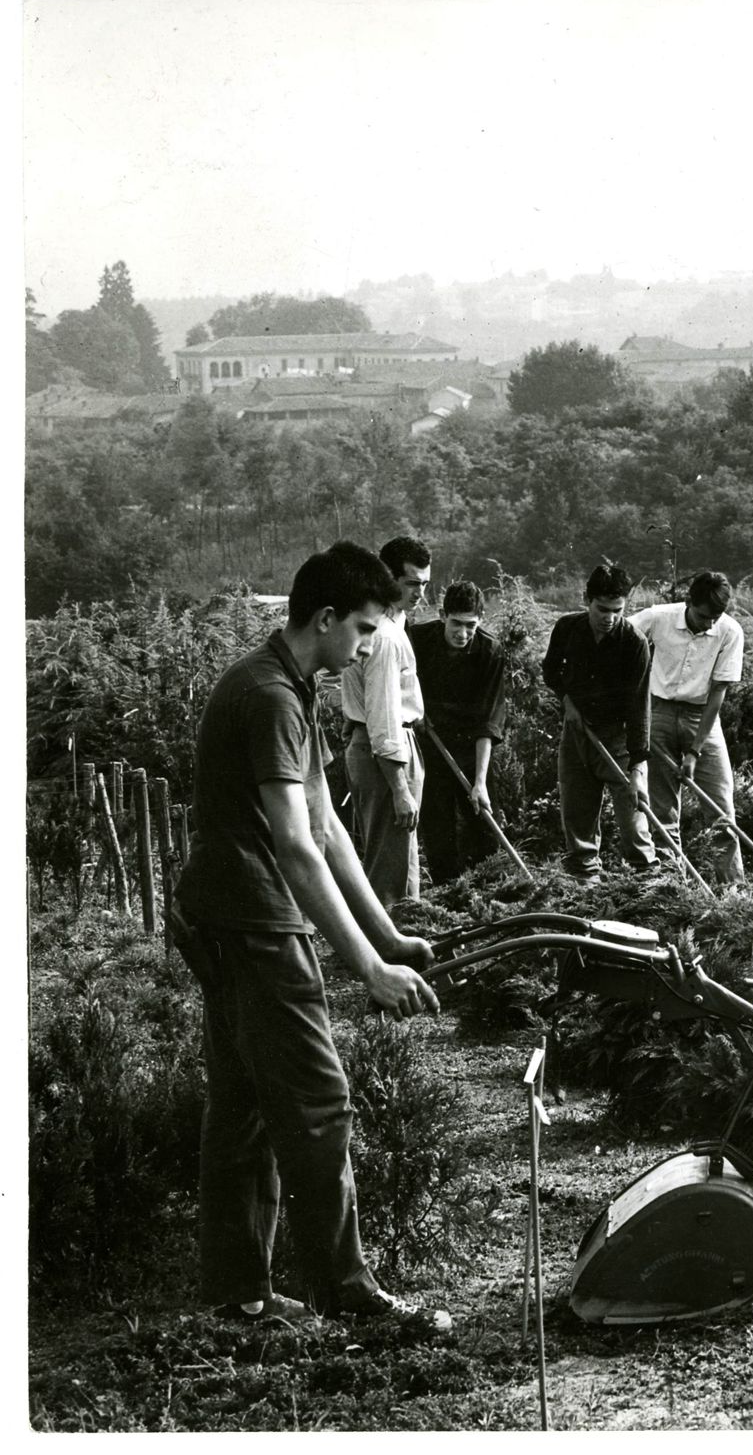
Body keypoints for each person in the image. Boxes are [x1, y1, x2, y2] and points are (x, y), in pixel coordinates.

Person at [170, 541, 450, 1332]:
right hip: (251, 921)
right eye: (363, 629)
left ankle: (238, 1298)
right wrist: (366, 969)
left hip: (224, 913)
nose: (368, 646)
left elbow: (327, 824)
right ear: (325, 619)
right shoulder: (268, 697)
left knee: (243, 1105)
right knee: (319, 1102)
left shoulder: (290, 686)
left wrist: (388, 934)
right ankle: (348, 1293)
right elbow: (294, 845)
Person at [631, 571, 748, 884]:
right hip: (658, 713)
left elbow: (718, 693)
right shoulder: (659, 618)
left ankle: (732, 887)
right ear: (687, 602)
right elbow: (621, 635)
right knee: (662, 806)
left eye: (716, 617)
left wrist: (695, 751)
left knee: (720, 804)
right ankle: (671, 885)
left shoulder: (730, 631)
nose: (709, 623)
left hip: (703, 718)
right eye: (703, 615)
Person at [541, 562, 655, 881]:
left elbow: (639, 707)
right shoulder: (567, 628)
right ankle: (584, 882)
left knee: (634, 817)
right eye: (602, 609)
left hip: (618, 737)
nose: (609, 618)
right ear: (586, 599)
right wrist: (567, 702)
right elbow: (550, 670)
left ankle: (647, 882)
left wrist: (638, 766)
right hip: (577, 733)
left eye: (617, 610)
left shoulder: (634, 643)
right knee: (577, 813)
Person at [339, 535, 430, 907]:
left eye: (424, 584)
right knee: (389, 867)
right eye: (411, 584)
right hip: (387, 754)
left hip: (378, 744)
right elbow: (385, 716)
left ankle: (407, 941)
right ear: (388, 579)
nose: (420, 593)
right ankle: (385, 950)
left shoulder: (385, 623)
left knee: (401, 856)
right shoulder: (386, 636)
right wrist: (399, 787)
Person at [407, 580, 510, 882]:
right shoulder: (416, 639)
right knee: (438, 827)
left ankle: (488, 891)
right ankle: (449, 893)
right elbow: (401, 684)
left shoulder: (491, 652)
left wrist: (480, 782)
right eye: (456, 623)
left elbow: (488, 723)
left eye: (471, 626)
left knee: (483, 824)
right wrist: (416, 710)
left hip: (471, 747)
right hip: (429, 743)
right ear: (442, 615)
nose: (462, 634)